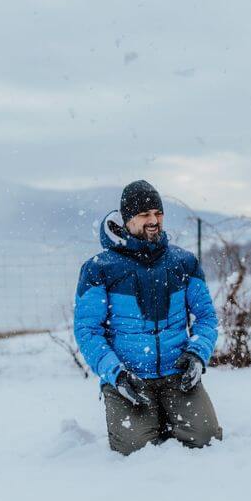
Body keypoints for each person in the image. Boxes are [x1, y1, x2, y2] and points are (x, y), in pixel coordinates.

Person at [73, 180, 222, 455]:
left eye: (158, 213)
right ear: (127, 219)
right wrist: (115, 375)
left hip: (177, 374)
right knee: (134, 448)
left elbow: (206, 317)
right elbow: (88, 331)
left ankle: (166, 412)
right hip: (130, 379)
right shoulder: (99, 269)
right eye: (144, 215)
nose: (153, 220)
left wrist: (197, 355)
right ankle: (147, 417)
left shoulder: (183, 263)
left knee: (206, 439)